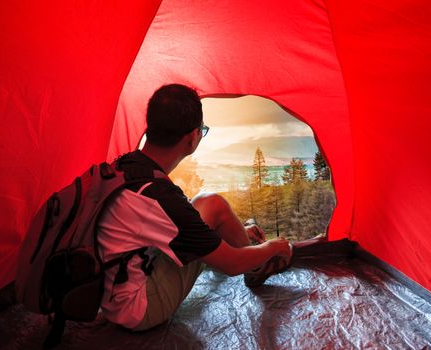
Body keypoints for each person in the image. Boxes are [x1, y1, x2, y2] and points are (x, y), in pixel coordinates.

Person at [97, 83, 293, 331]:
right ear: (192, 138)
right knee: (215, 216)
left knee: (209, 201)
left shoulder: (128, 166)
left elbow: (173, 221)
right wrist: (273, 247)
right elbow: (230, 264)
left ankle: (250, 253)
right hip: (135, 308)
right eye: (202, 130)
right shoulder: (158, 196)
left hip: (112, 286)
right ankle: (257, 267)